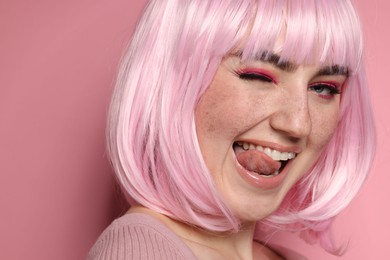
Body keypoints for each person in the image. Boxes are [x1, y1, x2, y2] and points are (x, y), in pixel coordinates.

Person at [88, 0, 376, 259]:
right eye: (258, 76)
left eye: (324, 87)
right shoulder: (139, 253)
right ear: (173, 86)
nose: (298, 124)